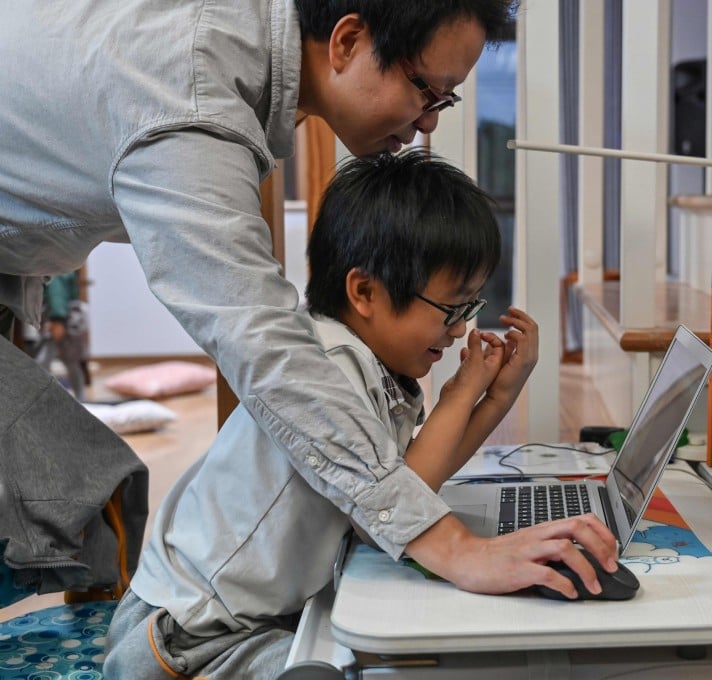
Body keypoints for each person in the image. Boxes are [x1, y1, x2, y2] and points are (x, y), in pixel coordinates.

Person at [0, 0, 617, 615]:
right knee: (65, 502)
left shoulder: (233, 61)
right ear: (347, 40)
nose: (428, 124)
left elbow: (402, 478)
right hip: (194, 627)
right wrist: (451, 545)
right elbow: (262, 344)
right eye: (427, 89)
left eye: (445, 101)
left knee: (85, 503)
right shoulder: (189, 100)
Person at [104, 150, 616, 678]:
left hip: (250, 618)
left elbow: (406, 490)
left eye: (471, 308)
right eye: (452, 308)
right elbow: (396, 510)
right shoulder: (326, 365)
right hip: (188, 637)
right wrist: (465, 393)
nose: (461, 329)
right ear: (365, 291)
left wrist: (495, 399)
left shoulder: (368, 365)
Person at [34, 270, 89, 401]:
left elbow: (56, 294)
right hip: (67, 319)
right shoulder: (66, 268)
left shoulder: (56, 270)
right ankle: (81, 398)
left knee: (43, 362)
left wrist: (57, 320)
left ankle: (42, 397)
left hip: (59, 320)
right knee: (71, 362)